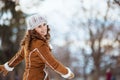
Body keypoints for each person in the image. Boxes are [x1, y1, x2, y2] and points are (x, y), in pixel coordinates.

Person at [0, 14, 74, 80]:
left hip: (31, 76)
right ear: (33, 30)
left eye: (44, 24)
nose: (43, 28)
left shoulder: (30, 42)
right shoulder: (39, 44)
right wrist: (66, 72)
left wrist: (7, 66)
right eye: (39, 26)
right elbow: (52, 63)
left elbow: (19, 56)